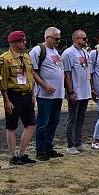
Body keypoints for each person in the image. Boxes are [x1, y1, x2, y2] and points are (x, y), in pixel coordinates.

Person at [0, 31, 37, 165]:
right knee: (12, 127)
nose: (25, 43)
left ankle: (22, 154)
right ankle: (12, 156)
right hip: (13, 95)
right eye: (22, 41)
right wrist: (6, 100)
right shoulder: (5, 58)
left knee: (31, 125)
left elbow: (30, 78)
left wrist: (33, 95)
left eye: (25, 40)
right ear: (13, 43)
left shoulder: (26, 57)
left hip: (27, 95)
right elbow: (3, 82)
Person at [30, 27, 65, 161]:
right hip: (45, 95)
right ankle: (40, 150)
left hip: (57, 94)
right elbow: (32, 71)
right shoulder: (38, 50)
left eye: (59, 38)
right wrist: (44, 85)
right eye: (56, 38)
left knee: (54, 122)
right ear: (47, 37)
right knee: (43, 123)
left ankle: (49, 148)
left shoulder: (56, 51)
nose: (58, 41)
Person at [62, 30, 92, 155]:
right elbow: (67, 73)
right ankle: (70, 145)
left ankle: (78, 143)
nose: (86, 40)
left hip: (85, 90)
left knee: (81, 118)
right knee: (72, 118)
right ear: (75, 39)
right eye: (83, 38)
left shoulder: (85, 52)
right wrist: (70, 91)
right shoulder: (68, 53)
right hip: (75, 91)